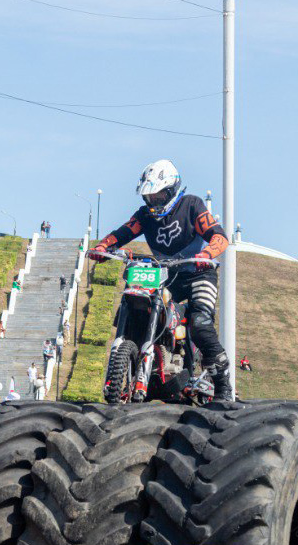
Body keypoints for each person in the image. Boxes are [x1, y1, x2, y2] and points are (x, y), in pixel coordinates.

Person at [89, 158, 235, 401]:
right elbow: (124, 232)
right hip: (167, 275)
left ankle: (223, 386)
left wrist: (206, 254)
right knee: (141, 311)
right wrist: (104, 246)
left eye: (158, 196)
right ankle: (148, 366)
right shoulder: (144, 215)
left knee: (200, 324)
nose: (153, 201)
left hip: (199, 272)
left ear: (172, 190)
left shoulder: (192, 205)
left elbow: (219, 236)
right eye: (149, 197)